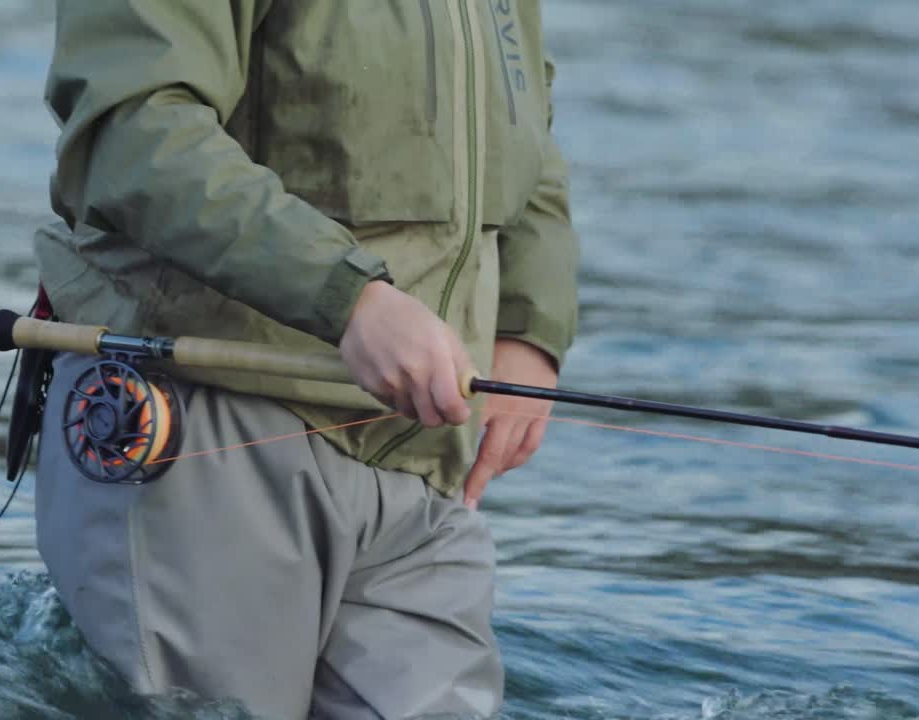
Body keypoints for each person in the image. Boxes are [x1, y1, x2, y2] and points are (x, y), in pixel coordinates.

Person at [31, 1, 578, 717]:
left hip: (424, 456)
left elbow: (525, 123)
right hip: (209, 425)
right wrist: (350, 299)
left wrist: (531, 331)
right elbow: (132, 130)